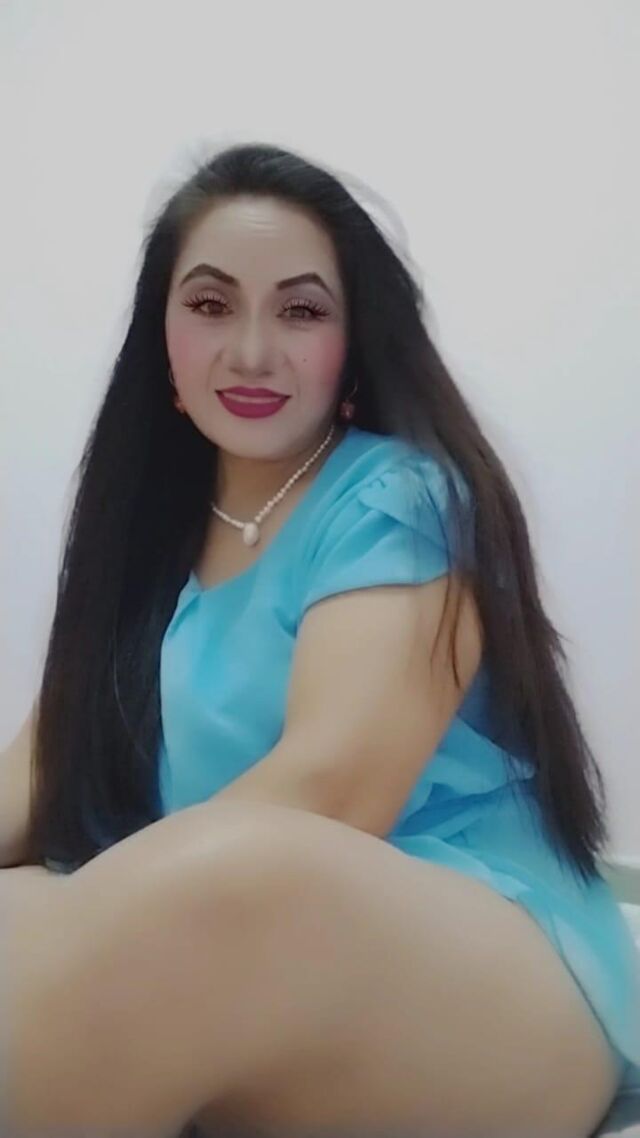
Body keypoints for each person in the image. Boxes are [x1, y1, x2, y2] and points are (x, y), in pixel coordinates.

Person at [1, 141, 639, 1138]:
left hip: (474, 969)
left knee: (239, 872)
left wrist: (87, 926)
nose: (252, 352)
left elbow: (333, 793)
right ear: (161, 337)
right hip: (224, 932)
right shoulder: (143, 538)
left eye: (300, 312)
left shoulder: (400, 495)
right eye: (210, 305)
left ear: (354, 341)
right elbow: (40, 774)